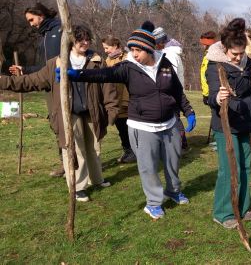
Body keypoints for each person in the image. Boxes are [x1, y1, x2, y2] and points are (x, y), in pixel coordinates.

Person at [62, 21, 196, 219]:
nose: (134, 54)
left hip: (169, 124)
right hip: (142, 126)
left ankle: (173, 191)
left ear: (149, 49)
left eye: (138, 50)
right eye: (131, 49)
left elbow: (176, 91)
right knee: (148, 166)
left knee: (172, 162)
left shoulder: (165, 64)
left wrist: (189, 111)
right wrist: (77, 75)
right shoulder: (128, 67)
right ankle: (153, 202)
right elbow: (103, 74)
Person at [1, 25, 118, 201]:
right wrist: (3, 81)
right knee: (74, 150)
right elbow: (29, 81)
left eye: (87, 39)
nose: (85, 43)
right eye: (81, 40)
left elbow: (108, 86)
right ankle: (78, 186)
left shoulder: (96, 61)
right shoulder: (56, 63)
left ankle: (97, 179)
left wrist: (112, 110)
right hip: (69, 114)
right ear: (71, 41)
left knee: (94, 148)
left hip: (92, 112)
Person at [205, 18, 251, 229]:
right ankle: (223, 212)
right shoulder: (215, 66)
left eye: (241, 53)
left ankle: (242, 209)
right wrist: (219, 98)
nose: (238, 57)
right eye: (234, 54)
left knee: (244, 167)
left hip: (245, 123)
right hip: (226, 125)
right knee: (229, 169)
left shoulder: (247, 63)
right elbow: (211, 96)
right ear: (225, 48)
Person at [11, 2, 64, 177]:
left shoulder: (61, 30)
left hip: (64, 84)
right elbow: (43, 67)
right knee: (56, 124)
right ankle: (65, 162)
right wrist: (24, 70)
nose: (31, 24)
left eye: (31, 19)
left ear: (41, 14)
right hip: (49, 86)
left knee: (67, 124)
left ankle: (77, 163)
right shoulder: (44, 36)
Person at [153, 27, 189, 149]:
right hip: (172, 91)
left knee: (175, 118)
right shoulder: (168, 53)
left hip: (172, 91)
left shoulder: (169, 55)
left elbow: (170, 76)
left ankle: (181, 144)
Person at [102, 35, 136, 163]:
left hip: (126, 100)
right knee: (121, 128)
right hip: (115, 99)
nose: (105, 50)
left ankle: (132, 151)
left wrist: (127, 100)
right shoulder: (108, 60)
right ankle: (127, 150)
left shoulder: (127, 58)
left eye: (107, 48)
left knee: (127, 128)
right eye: (104, 48)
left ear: (115, 46)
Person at [200, 31, 218, 105]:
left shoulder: (211, 56)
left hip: (213, 93)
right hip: (211, 92)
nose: (201, 46)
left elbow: (207, 77)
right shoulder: (207, 55)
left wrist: (206, 94)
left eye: (202, 44)